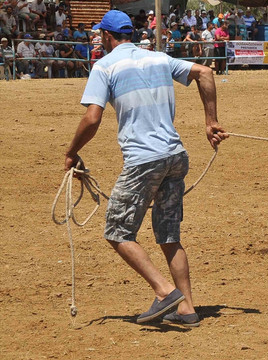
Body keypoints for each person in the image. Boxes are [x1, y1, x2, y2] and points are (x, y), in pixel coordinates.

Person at [64, 10, 228, 327]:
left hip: (143, 160)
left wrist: (71, 152)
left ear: (108, 36)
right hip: (175, 156)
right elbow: (205, 73)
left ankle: (165, 291)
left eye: (100, 34)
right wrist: (211, 122)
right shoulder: (158, 59)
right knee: (169, 235)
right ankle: (187, 310)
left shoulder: (104, 66)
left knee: (117, 231)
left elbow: (92, 118)